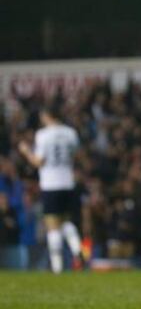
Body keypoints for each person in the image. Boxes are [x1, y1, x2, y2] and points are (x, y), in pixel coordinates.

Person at [16, 108, 84, 272]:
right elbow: (76, 155)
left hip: (51, 184)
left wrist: (26, 152)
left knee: (52, 225)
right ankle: (77, 250)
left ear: (47, 116)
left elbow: (39, 162)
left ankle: (57, 267)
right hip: (67, 182)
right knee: (66, 221)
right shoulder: (71, 133)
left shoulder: (43, 135)